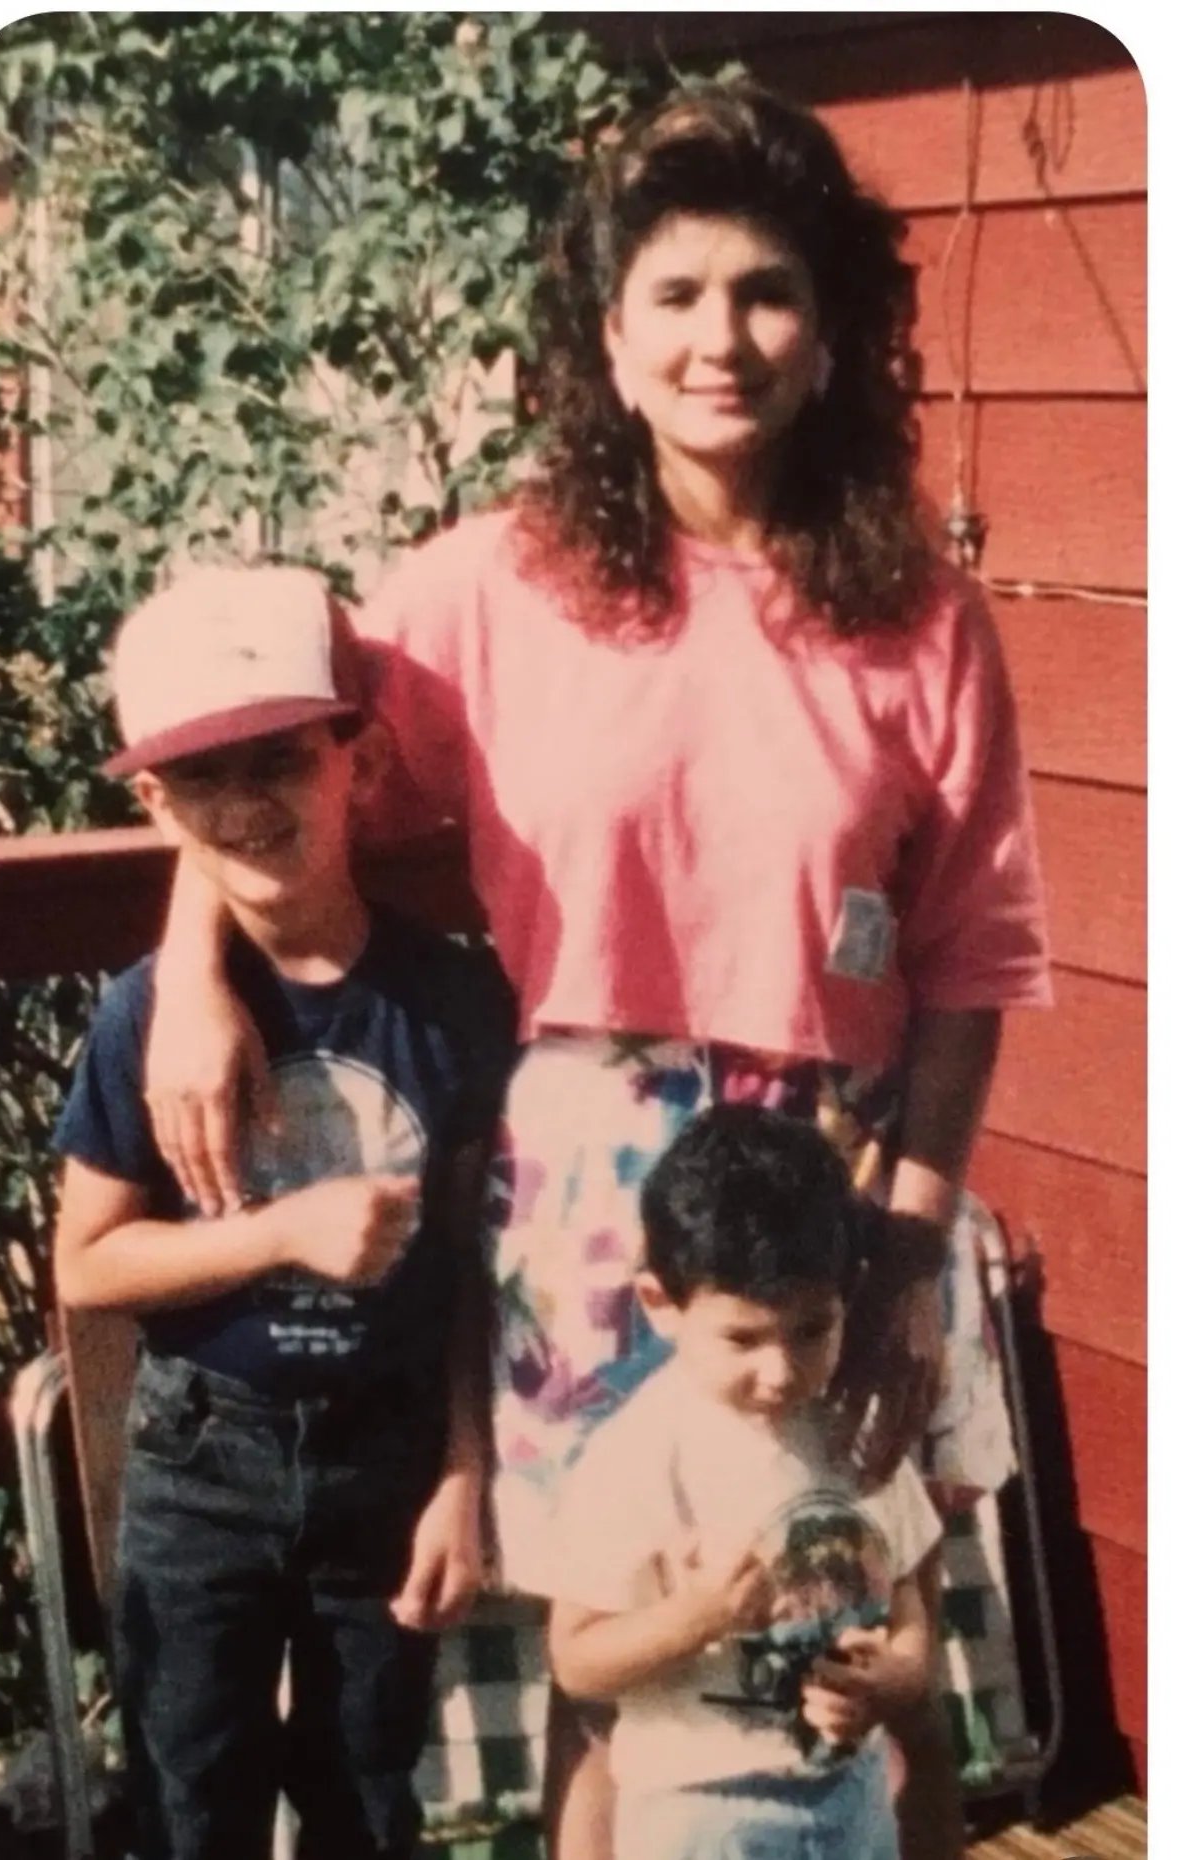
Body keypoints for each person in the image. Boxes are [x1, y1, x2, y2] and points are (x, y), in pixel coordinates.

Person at [141, 82, 1051, 1860]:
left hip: (843, 1180)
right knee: (618, 1674)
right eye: (680, 295)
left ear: (831, 331)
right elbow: (265, 763)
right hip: (590, 1193)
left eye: (770, 291)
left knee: (888, 1650)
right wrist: (191, 964)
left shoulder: (923, 617)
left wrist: (914, 1248)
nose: (727, 336)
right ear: (611, 343)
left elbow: (972, 953)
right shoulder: (496, 584)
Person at [52, 565, 515, 1860]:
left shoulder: (449, 1000)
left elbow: (475, 1266)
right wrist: (280, 1234)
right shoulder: (147, 1015)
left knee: (368, 1801)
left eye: (280, 758)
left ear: (351, 759)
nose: (247, 804)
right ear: (152, 800)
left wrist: (466, 1473)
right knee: (192, 1799)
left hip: (392, 1455)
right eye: (202, 777)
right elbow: (86, 1265)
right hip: (207, 1462)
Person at [548, 1104, 943, 1860]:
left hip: (850, 1792)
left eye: (810, 1331)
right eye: (742, 1338)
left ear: (847, 1294)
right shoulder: (640, 1456)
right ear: (660, 1304)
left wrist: (893, 1677)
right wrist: (694, 1617)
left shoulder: (857, 1425)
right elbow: (577, 1660)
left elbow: (910, 1603)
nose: (781, 1372)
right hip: (701, 1812)